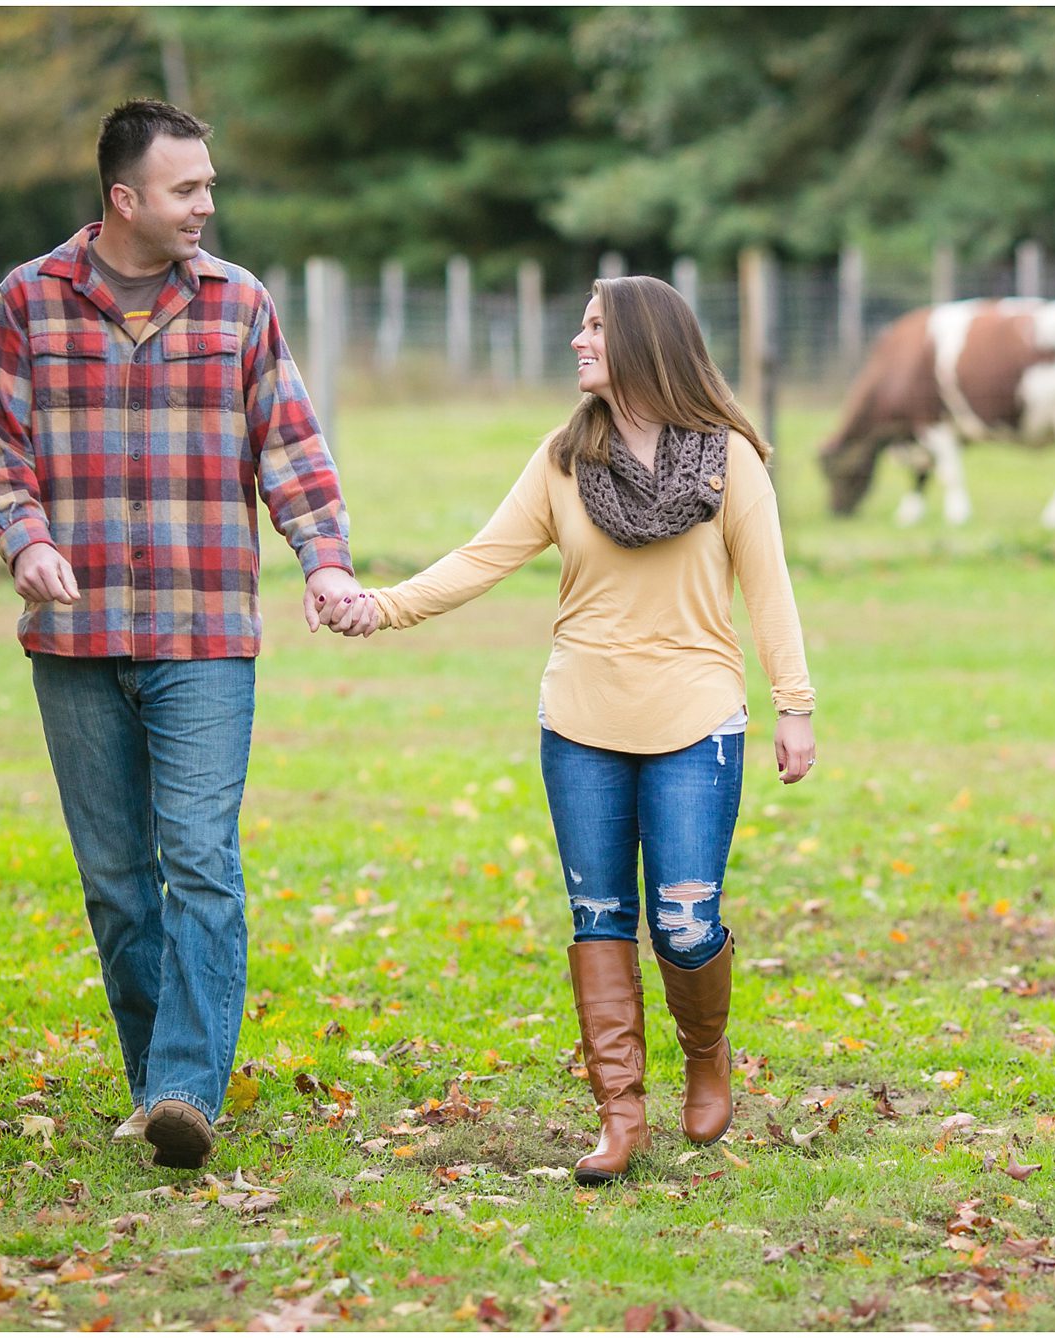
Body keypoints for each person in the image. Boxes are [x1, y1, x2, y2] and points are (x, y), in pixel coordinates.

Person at [328, 276, 817, 1183]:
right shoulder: (562, 460)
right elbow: (483, 557)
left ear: (642, 344)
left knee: (684, 921)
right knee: (598, 917)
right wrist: (380, 606)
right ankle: (620, 1114)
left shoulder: (728, 463)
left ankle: (705, 1053)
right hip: (581, 723)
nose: (577, 342)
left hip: (697, 717)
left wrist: (795, 706)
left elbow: (770, 589)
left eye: (594, 328)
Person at [0, 99, 361, 1170]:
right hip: (75, 636)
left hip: (203, 632)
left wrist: (322, 557)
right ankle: (157, 1086)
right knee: (114, 879)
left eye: (210, 186)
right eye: (187, 188)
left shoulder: (238, 305)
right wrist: (24, 539)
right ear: (123, 198)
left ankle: (187, 1088)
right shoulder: (30, 304)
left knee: (198, 859)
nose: (207, 205)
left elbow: (289, 442)